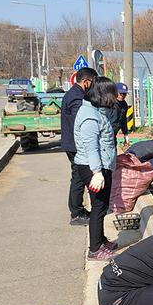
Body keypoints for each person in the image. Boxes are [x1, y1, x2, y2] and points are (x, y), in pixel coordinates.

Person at [74, 76, 119, 261]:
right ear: (103, 94)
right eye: (112, 94)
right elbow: (91, 147)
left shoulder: (97, 111)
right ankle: (94, 249)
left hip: (100, 165)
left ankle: (100, 240)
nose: (115, 98)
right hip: (92, 168)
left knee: (102, 205)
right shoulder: (89, 117)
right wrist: (97, 173)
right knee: (98, 207)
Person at [61, 67, 98, 226]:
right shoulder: (77, 98)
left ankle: (78, 210)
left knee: (77, 178)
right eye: (93, 82)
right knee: (78, 179)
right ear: (86, 81)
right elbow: (81, 123)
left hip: (71, 144)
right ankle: (76, 213)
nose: (94, 86)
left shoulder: (72, 94)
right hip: (76, 146)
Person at [112, 82, 131, 149]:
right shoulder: (109, 103)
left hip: (114, 133)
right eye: (120, 93)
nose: (122, 95)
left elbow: (123, 120)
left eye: (124, 94)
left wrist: (126, 135)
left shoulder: (124, 105)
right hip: (106, 134)